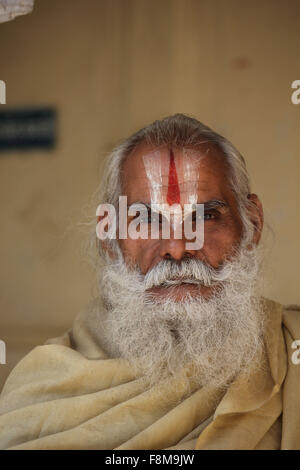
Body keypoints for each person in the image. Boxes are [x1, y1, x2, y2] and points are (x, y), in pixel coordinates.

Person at [0, 114, 299, 450]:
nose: (177, 247)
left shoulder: (293, 359)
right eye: (145, 219)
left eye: (205, 216)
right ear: (109, 235)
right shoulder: (42, 390)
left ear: (252, 224)